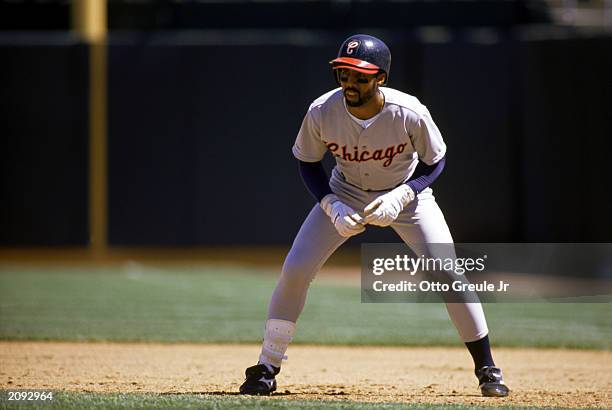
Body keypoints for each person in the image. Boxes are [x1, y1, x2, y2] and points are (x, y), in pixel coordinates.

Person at [239, 34, 509, 398]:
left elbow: (435, 161)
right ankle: (266, 367)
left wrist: (403, 194)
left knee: (448, 272)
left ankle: (487, 368)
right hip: (345, 191)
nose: (350, 83)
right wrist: (330, 203)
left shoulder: (408, 111)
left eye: (360, 77)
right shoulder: (322, 110)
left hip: (407, 196)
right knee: (296, 268)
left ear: (380, 77)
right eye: (344, 74)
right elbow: (307, 161)